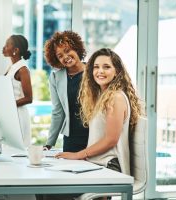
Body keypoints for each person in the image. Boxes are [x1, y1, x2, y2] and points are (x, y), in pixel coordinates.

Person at [55, 48, 142, 199]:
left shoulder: (115, 97)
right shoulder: (103, 96)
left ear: (117, 71)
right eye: (96, 67)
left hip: (109, 164)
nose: (100, 71)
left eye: (106, 67)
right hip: (98, 163)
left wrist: (78, 155)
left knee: (53, 190)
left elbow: (111, 140)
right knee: (52, 185)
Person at [43, 30, 89, 152]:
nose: (65, 57)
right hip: (71, 140)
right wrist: (49, 143)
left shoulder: (93, 71)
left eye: (68, 51)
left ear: (77, 49)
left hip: (94, 137)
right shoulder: (55, 78)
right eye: (60, 56)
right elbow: (58, 112)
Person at [3, 34, 33, 147]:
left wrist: (9, 105)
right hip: (11, 113)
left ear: (16, 50)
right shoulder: (12, 67)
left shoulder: (23, 69)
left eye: (7, 45)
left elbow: (29, 98)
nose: (3, 48)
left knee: (17, 152)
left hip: (18, 115)